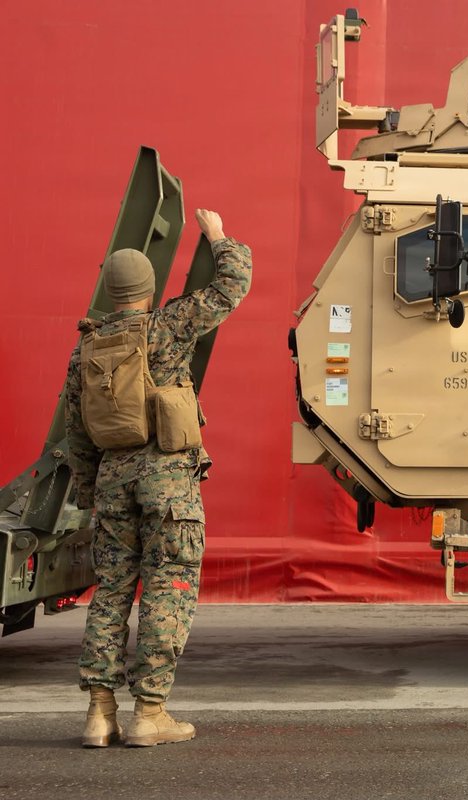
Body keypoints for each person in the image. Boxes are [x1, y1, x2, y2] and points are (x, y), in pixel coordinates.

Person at [65, 209, 251, 747]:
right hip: (168, 481)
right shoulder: (168, 326)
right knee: (168, 588)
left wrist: (89, 497)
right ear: (147, 289)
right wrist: (218, 237)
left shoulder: (88, 349)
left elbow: (77, 437)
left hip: (112, 482)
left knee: (111, 593)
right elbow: (234, 282)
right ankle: (150, 712)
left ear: (110, 289)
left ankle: (100, 713)